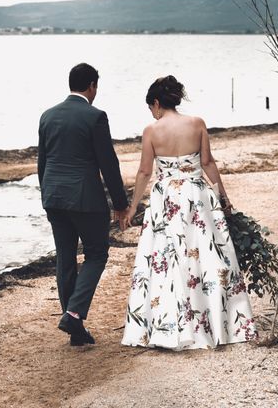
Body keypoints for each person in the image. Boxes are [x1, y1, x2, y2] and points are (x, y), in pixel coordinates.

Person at [121, 75, 257, 350]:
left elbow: (145, 171)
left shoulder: (151, 131)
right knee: (207, 258)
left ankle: (167, 327)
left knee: (166, 260)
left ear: (157, 103)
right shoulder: (197, 124)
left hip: (166, 200)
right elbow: (207, 162)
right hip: (197, 196)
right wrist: (224, 199)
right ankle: (216, 326)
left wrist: (133, 206)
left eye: (151, 107)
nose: (152, 113)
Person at [38, 63, 129, 346]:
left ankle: (74, 328)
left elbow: (42, 162)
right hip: (85, 199)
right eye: (96, 86)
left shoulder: (47, 115)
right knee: (96, 254)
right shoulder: (95, 116)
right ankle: (74, 314)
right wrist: (120, 203)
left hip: (54, 197)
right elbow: (108, 163)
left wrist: (47, 194)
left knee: (65, 257)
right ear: (92, 86)